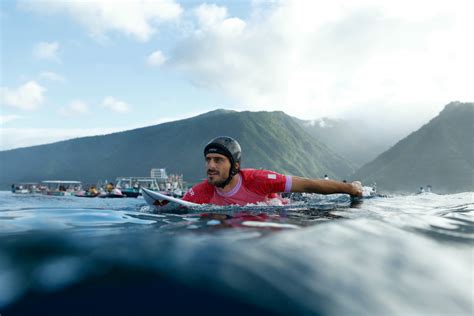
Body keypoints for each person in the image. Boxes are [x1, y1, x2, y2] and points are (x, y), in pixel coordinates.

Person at [182, 136, 363, 206]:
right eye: (208, 160)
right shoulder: (200, 192)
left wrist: (350, 189)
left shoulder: (259, 180)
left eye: (218, 160)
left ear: (235, 166)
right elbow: (168, 206)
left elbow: (309, 186)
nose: (211, 166)